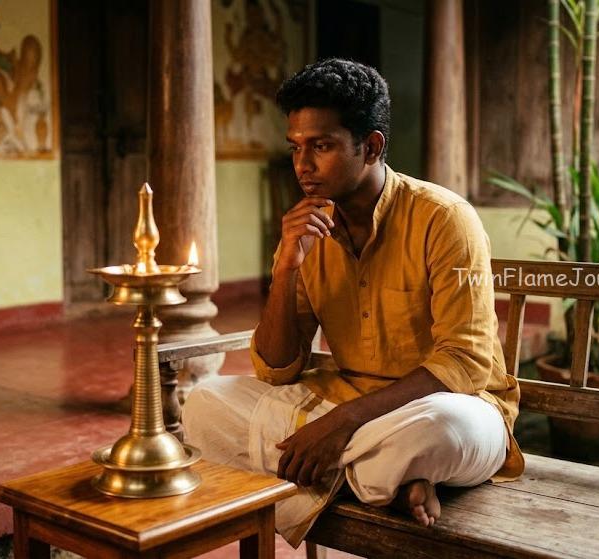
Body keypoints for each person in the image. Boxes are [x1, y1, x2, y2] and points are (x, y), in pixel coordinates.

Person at [183, 58, 524, 546]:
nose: (303, 165)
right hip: (346, 404)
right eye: (296, 147)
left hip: (450, 408)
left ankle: (362, 469)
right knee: (203, 402)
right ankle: (392, 481)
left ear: (371, 146)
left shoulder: (445, 218)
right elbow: (278, 368)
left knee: (446, 428)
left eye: (321, 146)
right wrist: (284, 269)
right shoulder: (306, 228)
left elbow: (464, 361)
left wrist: (341, 424)